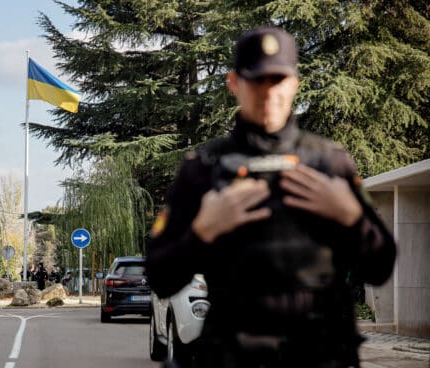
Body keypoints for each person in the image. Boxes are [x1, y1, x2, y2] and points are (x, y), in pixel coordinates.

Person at [146, 27, 396, 368]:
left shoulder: (329, 162)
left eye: (278, 80)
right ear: (234, 83)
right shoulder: (203, 169)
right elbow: (160, 277)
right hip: (235, 356)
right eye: (257, 81)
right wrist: (203, 230)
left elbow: (380, 267)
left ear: (294, 83)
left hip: (321, 355)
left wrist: (350, 215)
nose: (269, 93)